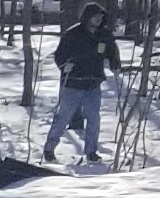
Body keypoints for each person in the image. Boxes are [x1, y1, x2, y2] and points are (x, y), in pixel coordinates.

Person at [44, 9, 119, 163]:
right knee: (63, 117)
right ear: (87, 17)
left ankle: (91, 152)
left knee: (94, 118)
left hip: (93, 82)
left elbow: (112, 51)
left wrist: (115, 64)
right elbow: (60, 54)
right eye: (95, 16)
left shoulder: (104, 35)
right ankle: (49, 149)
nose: (98, 19)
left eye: (101, 17)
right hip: (73, 82)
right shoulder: (73, 34)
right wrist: (64, 65)